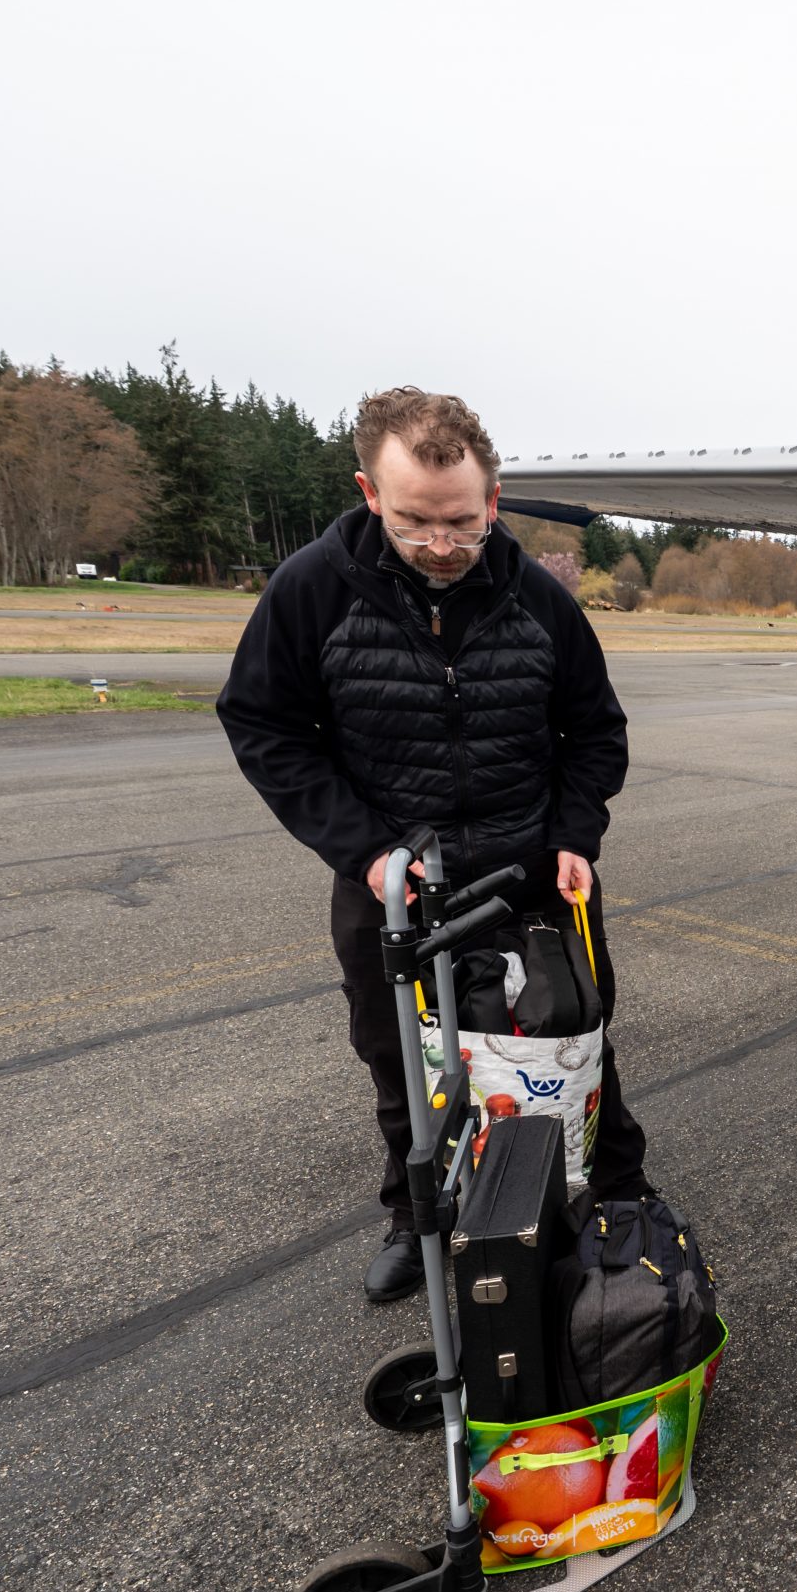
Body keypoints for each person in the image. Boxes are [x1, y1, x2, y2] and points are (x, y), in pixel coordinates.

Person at [216, 387, 654, 1303]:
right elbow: (264, 726)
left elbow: (596, 732)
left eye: (462, 522)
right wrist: (368, 852)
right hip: (393, 884)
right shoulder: (311, 589)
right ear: (371, 495)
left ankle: (614, 1195)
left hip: (534, 879)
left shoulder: (538, 596)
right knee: (403, 1063)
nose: (444, 547)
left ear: (493, 501)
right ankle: (418, 1220)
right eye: (417, 524)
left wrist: (577, 834)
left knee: (577, 1043)